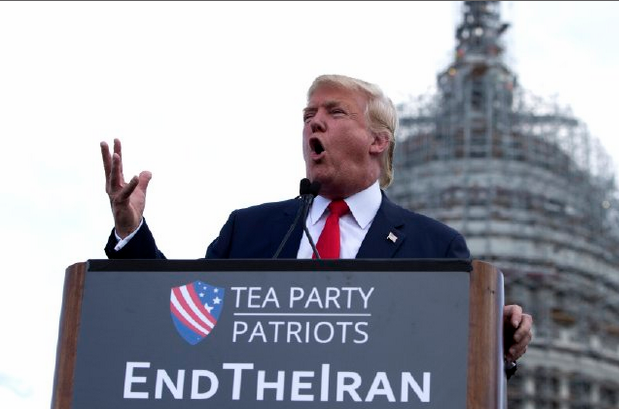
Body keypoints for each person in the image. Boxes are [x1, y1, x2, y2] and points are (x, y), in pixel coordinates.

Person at [100, 74, 532, 366]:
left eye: (334, 113)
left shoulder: (434, 246)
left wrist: (496, 344)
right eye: (308, 116)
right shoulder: (250, 230)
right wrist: (130, 230)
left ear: (378, 141)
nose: (314, 124)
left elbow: (454, 367)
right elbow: (184, 318)